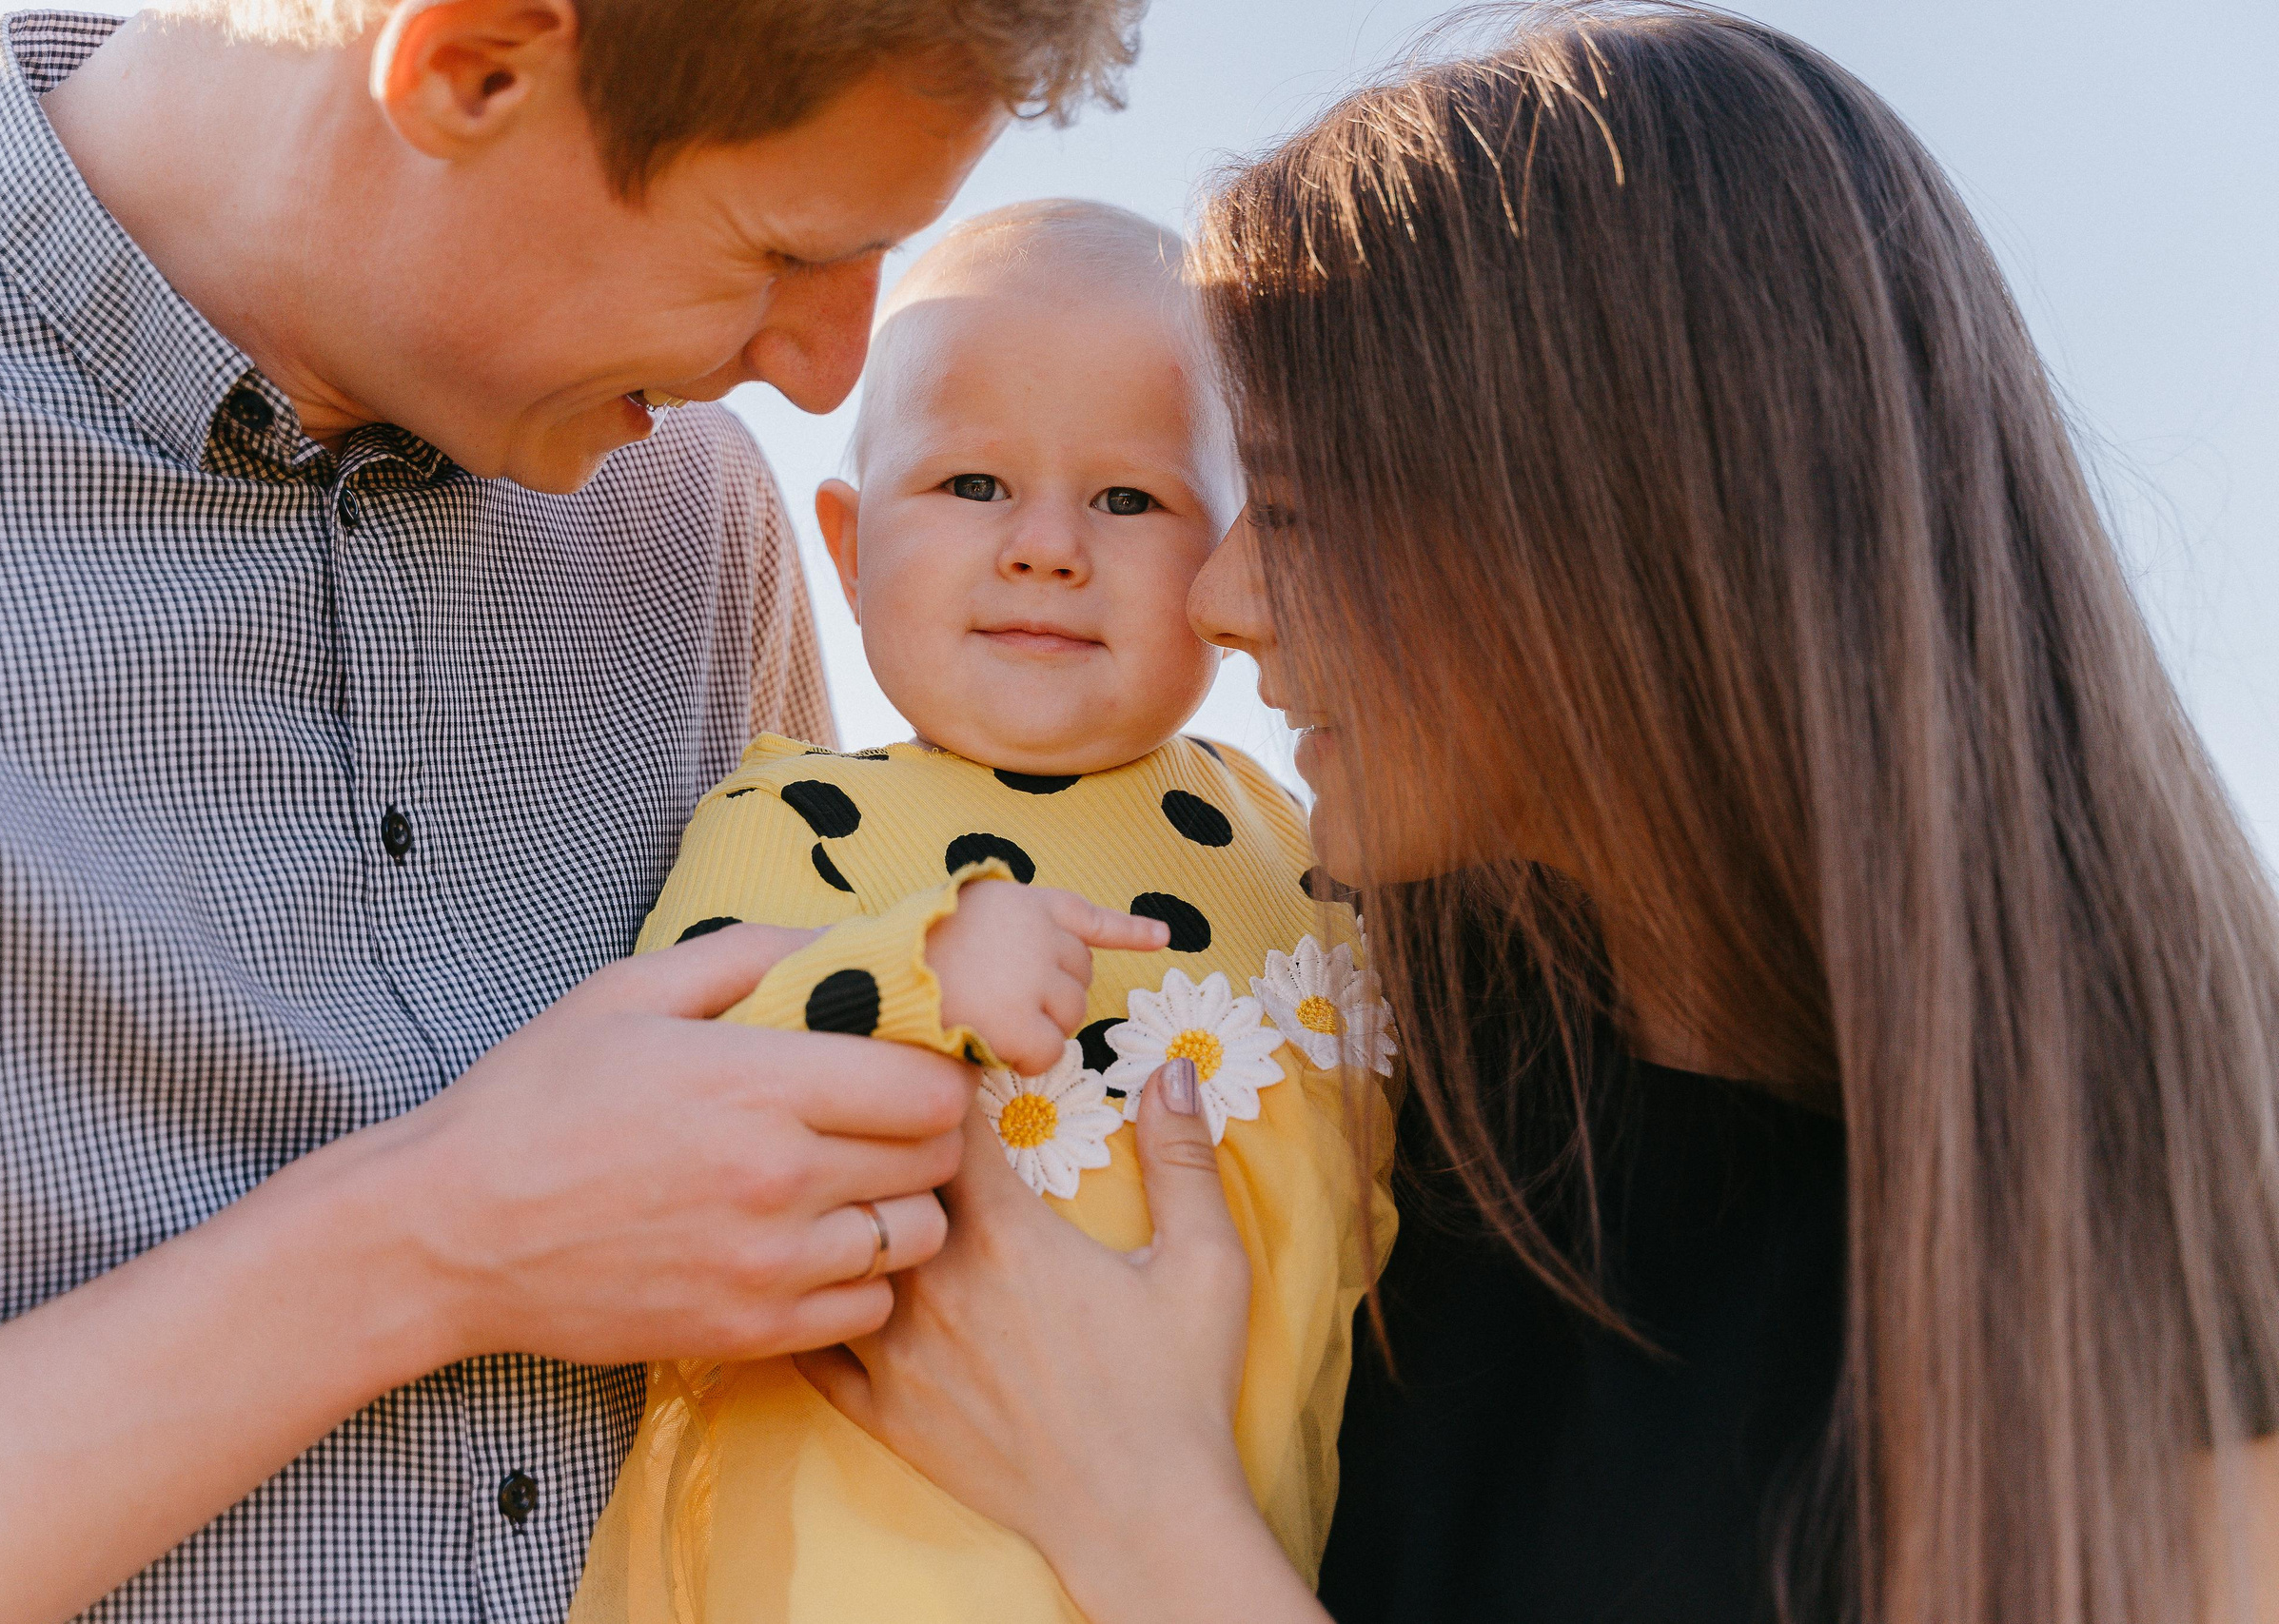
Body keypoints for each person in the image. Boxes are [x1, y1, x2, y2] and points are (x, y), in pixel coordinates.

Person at [791, 7, 2279, 1624]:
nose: (1219, 601)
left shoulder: (2198, 1287)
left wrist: (1140, 1519)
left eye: (1284, 507)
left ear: (1592, 531)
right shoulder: (1382, 1073)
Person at [0, 2, 1140, 1620]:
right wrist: (435, 1243)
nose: (823, 374)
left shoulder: (695, 519)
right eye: (780, 252)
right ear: (468, 64)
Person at [563, 200, 1397, 1624]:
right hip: (835, 1576)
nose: (1048, 549)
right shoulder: (807, 821)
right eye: (970, 485)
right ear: (846, 543)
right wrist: (919, 967)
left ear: (1227, 550)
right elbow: (655, 1119)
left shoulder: (1301, 849)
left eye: (1129, 500)